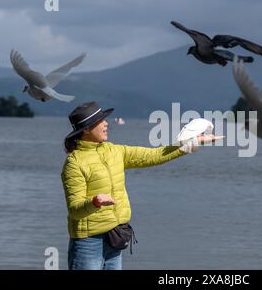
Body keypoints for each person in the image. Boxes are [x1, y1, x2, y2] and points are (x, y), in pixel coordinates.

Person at [61, 101, 221, 270]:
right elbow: (74, 210)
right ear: (86, 129)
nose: (106, 123)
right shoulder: (74, 163)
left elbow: (155, 155)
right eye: (101, 121)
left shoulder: (115, 151)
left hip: (115, 237)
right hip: (88, 242)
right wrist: (95, 202)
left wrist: (193, 143)